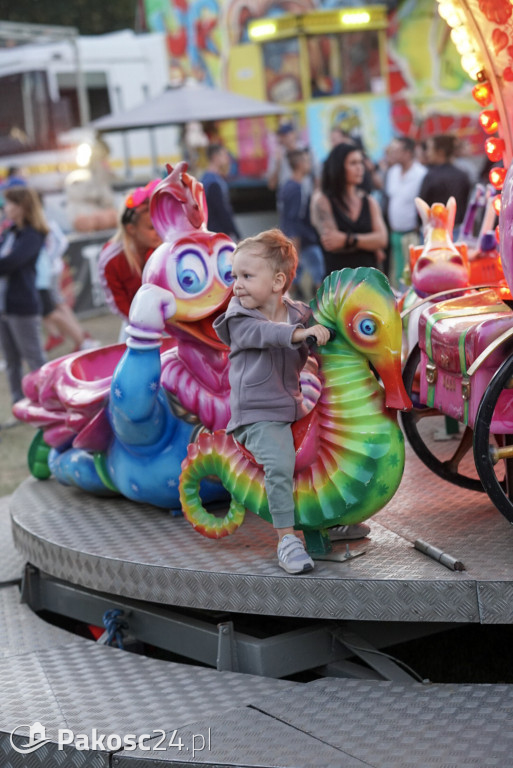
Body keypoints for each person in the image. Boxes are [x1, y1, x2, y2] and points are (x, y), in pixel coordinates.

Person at [213, 229, 331, 574]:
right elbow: (267, 336)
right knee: (280, 466)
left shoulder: (298, 314)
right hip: (256, 415)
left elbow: (318, 338)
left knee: (326, 450)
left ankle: (326, 516)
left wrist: (327, 336)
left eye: (247, 276)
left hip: (291, 407)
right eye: (235, 276)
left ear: (278, 281)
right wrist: (301, 335)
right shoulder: (240, 318)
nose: (237, 285)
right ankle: (286, 539)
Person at [310, 142, 387, 276]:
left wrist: (347, 239)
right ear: (339, 167)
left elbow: (382, 239)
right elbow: (332, 243)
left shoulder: (369, 201)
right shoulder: (323, 201)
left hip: (369, 283)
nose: (360, 168)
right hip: (339, 284)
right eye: (353, 163)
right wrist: (369, 242)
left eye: (360, 162)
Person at [0, 186, 47, 406]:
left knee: (34, 358)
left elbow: (11, 262)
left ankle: (47, 402)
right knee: (11, 361)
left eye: (9, 203)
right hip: (5, 306)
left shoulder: (32, 234)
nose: (5, 208)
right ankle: (20, 404)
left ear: (22, 206)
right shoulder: (11, 233)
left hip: (22, 305)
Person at [99, 180, 162, 340]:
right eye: (151, 227)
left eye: (159, 224)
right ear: (131, 229)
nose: (158, 231)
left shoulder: (164, 248)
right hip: (134, 324)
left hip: (168, 320)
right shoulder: (112, 259)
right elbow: (117, 300)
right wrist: (139, 323)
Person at [278, 148, 325, 298]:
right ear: (299, 164)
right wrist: (295, 243)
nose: (309, 164)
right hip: (303, 241)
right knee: (318, 274)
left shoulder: (291, 185)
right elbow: (293, 218)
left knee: (295, 276)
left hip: (300, 240)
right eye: (306, 161)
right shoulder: (295, 188)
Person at [385, 136, 427, 288]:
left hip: (412, 233)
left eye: (397, 151)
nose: (393, 154)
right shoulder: (392, 172)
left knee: (413, 273)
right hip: (395, 231)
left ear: (408, 153)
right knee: (398, 272)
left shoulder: (421, 174)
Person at [419, 135, 471, 240]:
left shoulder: (430, 176)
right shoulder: (462, 175)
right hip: (457, 230)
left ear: (440, 152)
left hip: (434, 233)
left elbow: (423, 203)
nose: (427, 153)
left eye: (429, 149)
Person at [201, 144, 241, 241]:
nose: (227, 158)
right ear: (215, 157)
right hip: (218, 234)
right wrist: (236, 234)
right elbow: (222, 211)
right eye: (224, 155)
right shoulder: (214, 182)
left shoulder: (204, 179)